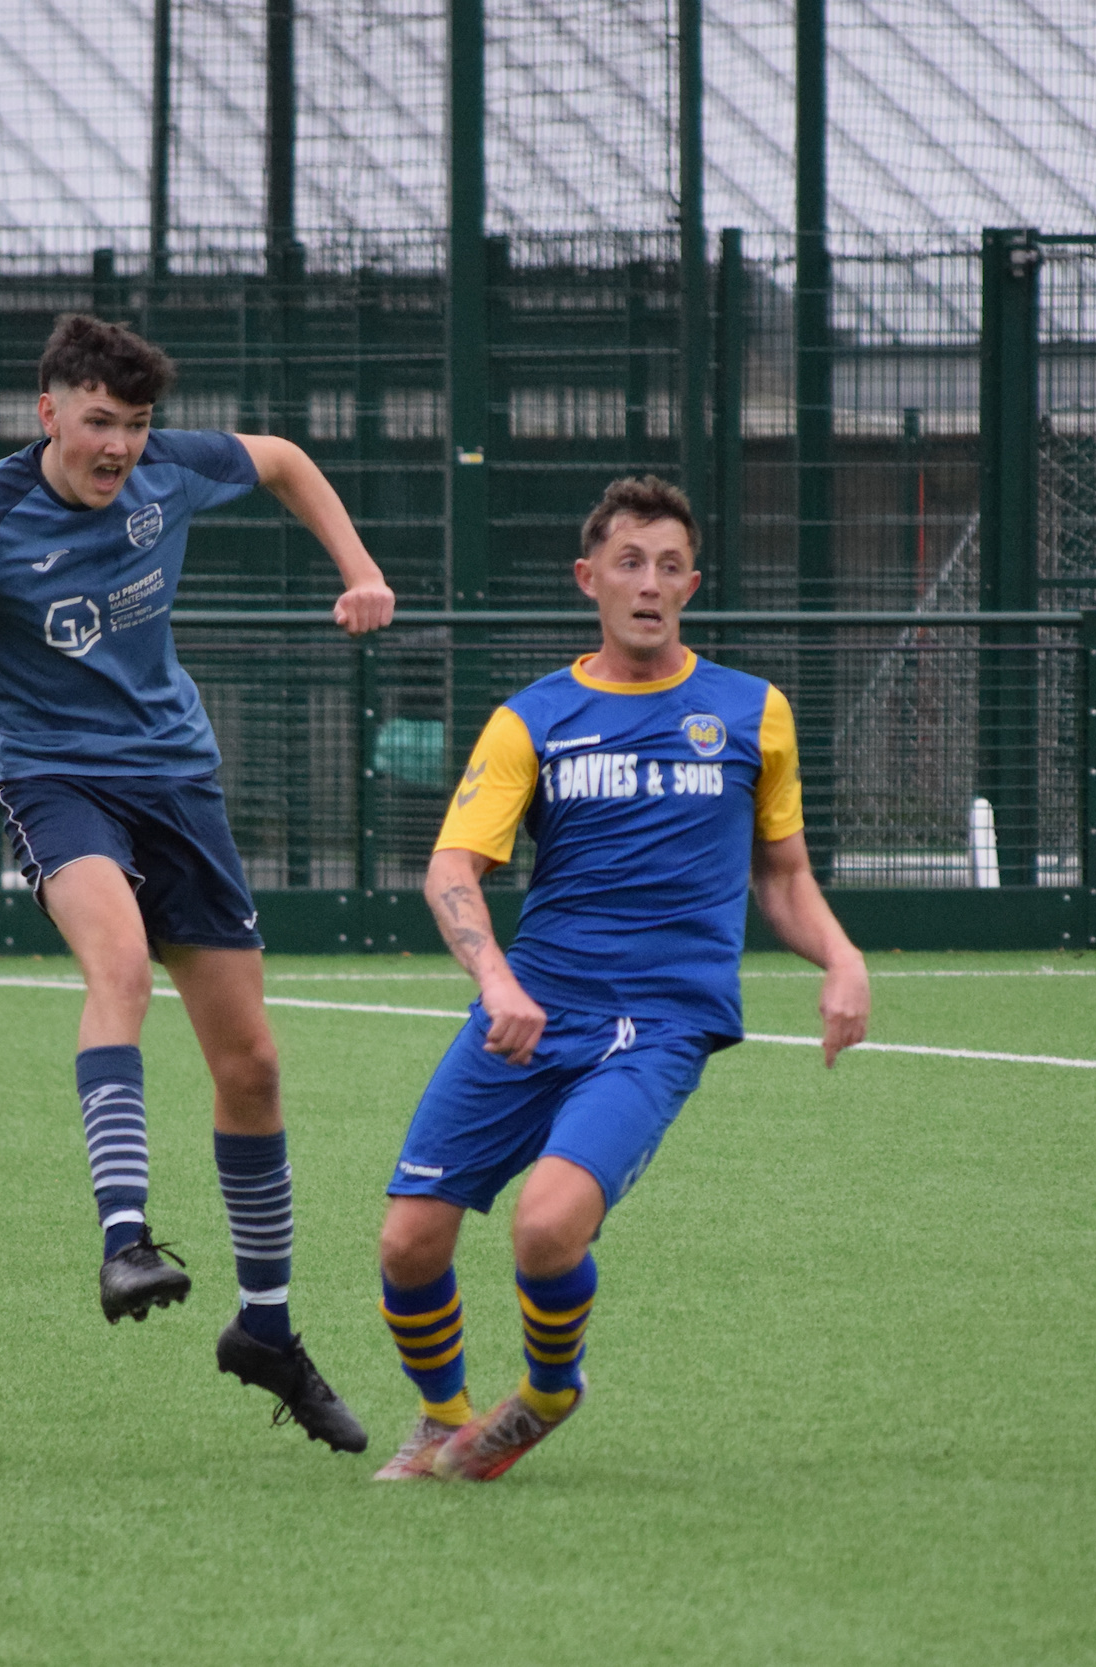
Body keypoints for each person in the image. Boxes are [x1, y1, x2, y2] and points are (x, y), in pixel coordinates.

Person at [0, 313, 389, 1454]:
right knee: (121, 963)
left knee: (253, 1062)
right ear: (47, 412)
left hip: (177, 780)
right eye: (99, 422)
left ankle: (269, 1330)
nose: (120, 447)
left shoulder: (170, 472)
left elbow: (282, 457)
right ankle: (125, 1235)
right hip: (51, 781)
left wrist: (361, 568)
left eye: (135, 425)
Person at [371, 475, 871, 1482]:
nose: (650, 583)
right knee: (407, 1242)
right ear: (587, 577)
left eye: (670, 565)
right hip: (532, 1009)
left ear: (693, 582)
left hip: (659, 1022)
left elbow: (782, 878)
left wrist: (842, 957)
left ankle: (550, 1390)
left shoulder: (751, 712)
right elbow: (450, 868)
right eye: (629, 562)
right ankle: (441, 1419)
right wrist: (499, 983)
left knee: (547, 1222)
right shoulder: (533, 718)